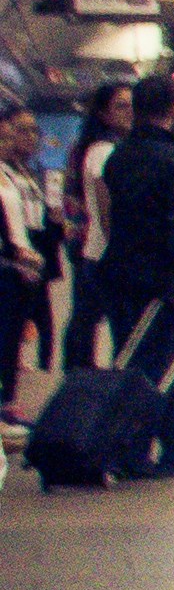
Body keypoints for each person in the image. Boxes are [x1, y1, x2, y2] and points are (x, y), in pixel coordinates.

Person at [89, 78, 174, 477]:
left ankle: (150, 449)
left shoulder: (117, 158)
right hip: (164, 283)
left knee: (135, 363)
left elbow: (110, 220)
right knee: (167, 366)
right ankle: (149, 451)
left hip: (120, 275)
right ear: (172, 110)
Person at [59, 82, 136, 371]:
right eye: (121, 105)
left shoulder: (104, 149)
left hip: (97, 254)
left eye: (132, 105)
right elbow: (107, 213)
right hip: (104, 255)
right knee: (114, 330)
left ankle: (79, 384)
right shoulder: (103, 152)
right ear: (103, 113)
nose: (130, 112)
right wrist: (122, 254)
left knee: (87, 321)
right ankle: (90, 390)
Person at [0, 116, 52, 412]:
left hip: (21, 265)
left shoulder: (9, 176)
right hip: (9, 263)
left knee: (10, 337)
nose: (6, 145)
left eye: (8, 139)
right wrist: (15, 252)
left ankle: (7, 402)